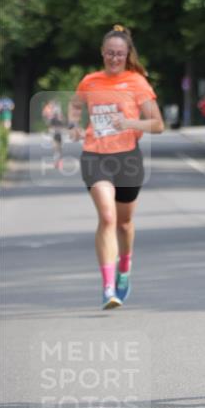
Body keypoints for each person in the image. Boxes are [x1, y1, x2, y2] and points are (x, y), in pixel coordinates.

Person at [67, 25, 164, 309]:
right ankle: (108, 286)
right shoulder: (90, 82)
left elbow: (157, 124)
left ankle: (124, 268)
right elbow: (74, 106)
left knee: (124, 223)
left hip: (128, 159)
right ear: (102, 53)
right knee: (107, 217)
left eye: (119, 54)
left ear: (126, 54)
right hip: (95, 156)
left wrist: (130, 123)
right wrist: (73, 125)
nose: (114, 59)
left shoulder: (137, 82)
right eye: (109, 53)